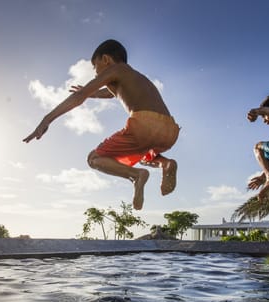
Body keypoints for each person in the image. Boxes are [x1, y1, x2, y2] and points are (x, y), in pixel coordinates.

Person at [23, 39, 180, 210]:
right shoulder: (133, 76)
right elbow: (110, 93)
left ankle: (136, 175)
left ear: (106, 59)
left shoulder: (115, 69)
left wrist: (47, 119)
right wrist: (94, 94)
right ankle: (165, 163)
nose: (95, 73)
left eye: (94, 66)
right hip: (169, 131)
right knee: (142, 156)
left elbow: (78, 97)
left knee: (94, 158)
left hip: (143, 126)